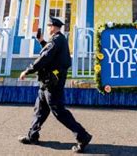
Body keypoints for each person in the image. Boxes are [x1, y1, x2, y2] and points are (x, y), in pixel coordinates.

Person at [18, 17, 92, 153]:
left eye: (49, 26)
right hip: (46, 82)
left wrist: (27, 70)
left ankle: (83, 136)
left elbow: (45, 57)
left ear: (53, 27)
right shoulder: (58, 40)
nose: (47, 28)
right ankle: (32, 135)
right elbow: (51, 52)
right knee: (39, 111)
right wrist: (41, 42)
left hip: (52, 84)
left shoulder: (57, 39)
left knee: (59, 112)